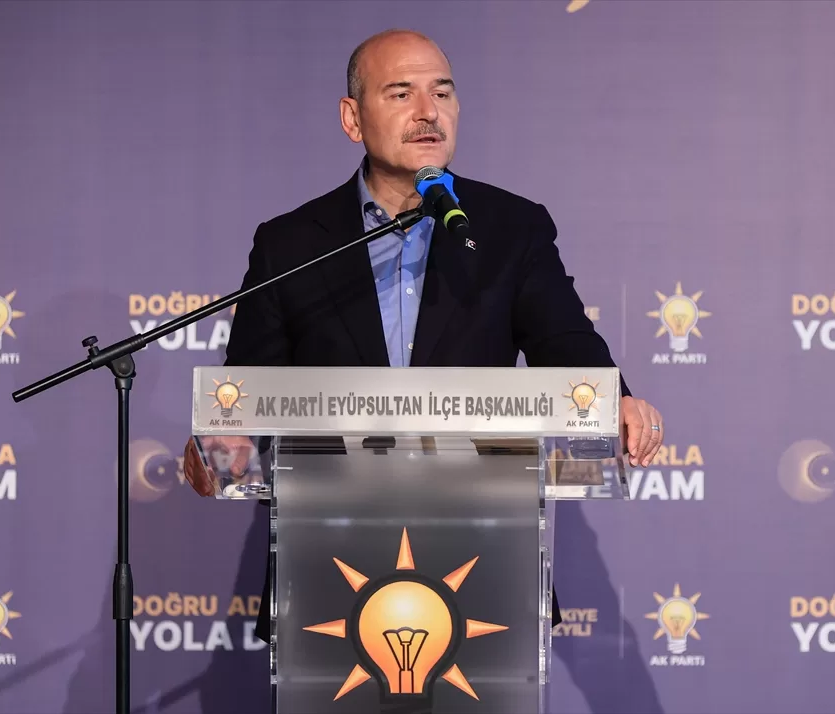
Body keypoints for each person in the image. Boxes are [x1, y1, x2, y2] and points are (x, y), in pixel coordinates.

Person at [183, 28, 663, 644]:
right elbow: (249, 390)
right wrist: (221, 446)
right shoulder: (291, 243)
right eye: (401, 93)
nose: (427, 111)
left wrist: (616, 399)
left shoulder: (510, 227)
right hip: (328, 561)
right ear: (352, 118)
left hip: (484, 556)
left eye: (442, 92)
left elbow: (564, 340)